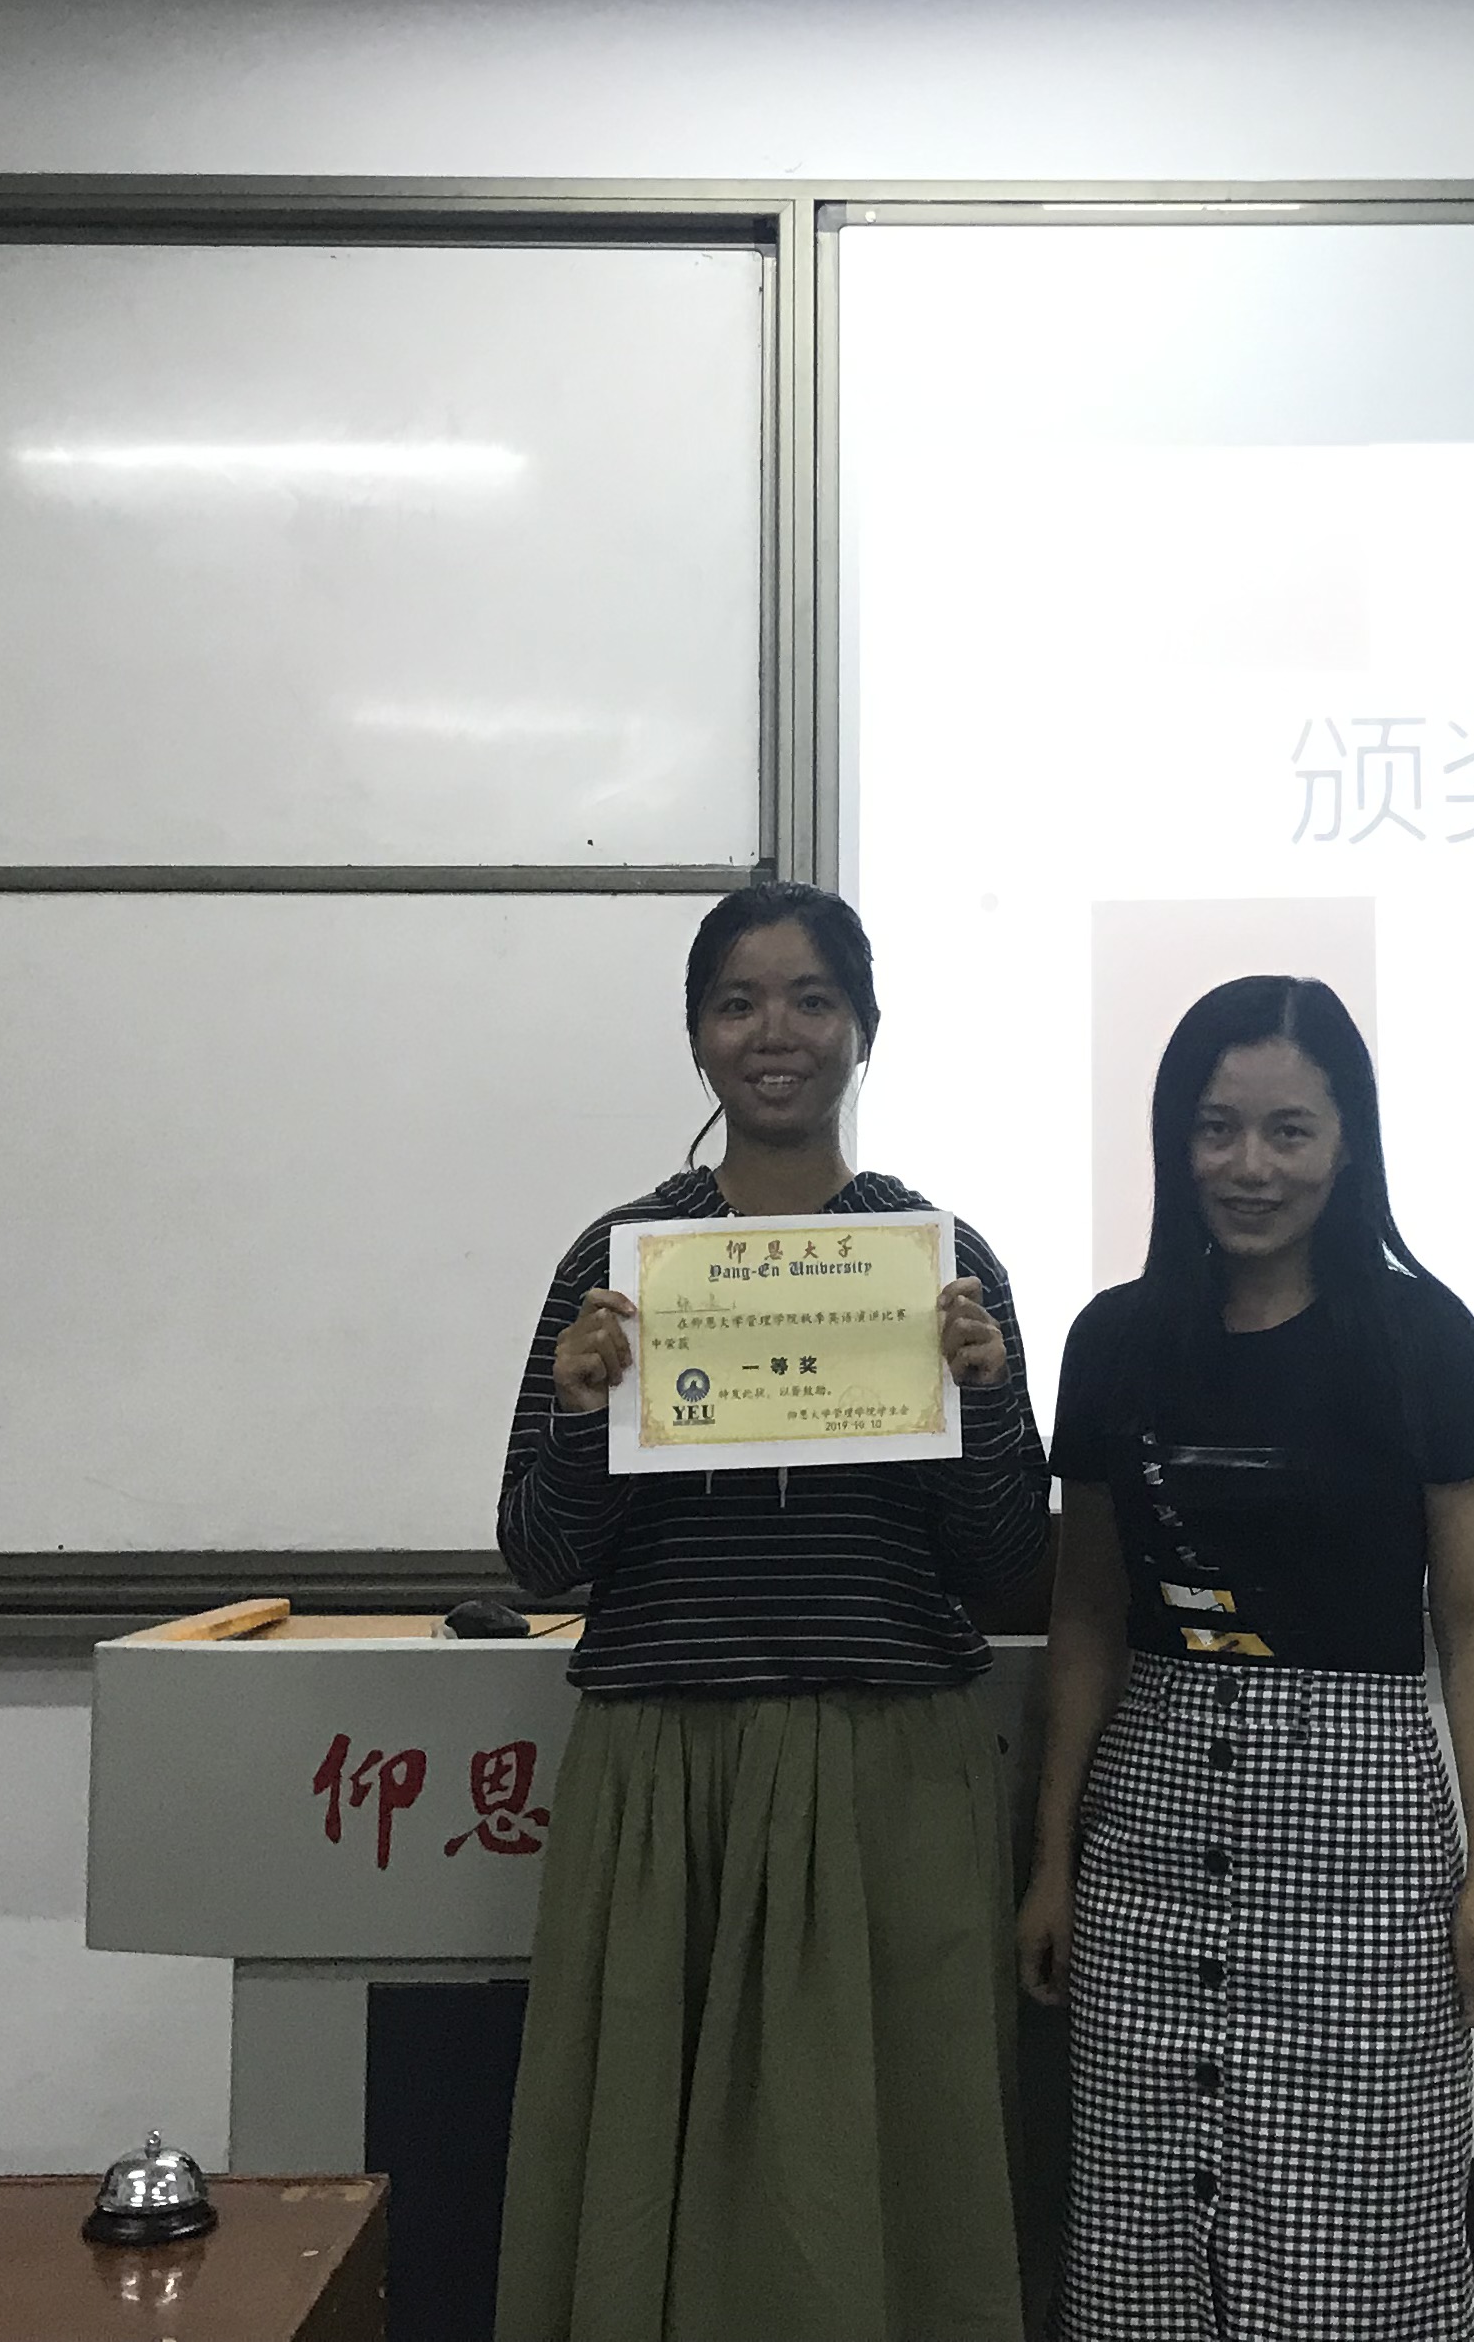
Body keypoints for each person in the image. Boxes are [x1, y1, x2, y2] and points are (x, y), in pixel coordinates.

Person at [491, 881, 1046, 2342]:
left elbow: (1009, 1566)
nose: (775, 1032)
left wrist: (987, 1398)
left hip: (887, 1769)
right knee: (647, 2170)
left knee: (888, 2175)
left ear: (865, 1028)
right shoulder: (619, 1263)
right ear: (696, 1037)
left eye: (811, 999)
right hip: (666, 1771)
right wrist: (582, 1414)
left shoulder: (940, 1261)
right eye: (738, 1003)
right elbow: (536, 1556)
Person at [1019, 975, 1474, 2342]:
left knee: (1358, 2240)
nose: (1250, 1166)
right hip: (1147, 1844)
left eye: (1289, 1131)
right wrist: (1054, 1861)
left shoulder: (1428, 1343)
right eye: (1217, 1129)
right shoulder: (1114, 1342)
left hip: (1363, 1846)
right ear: (1174, 1143)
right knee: (1140, 2247)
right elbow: (1088, 1617)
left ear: (1348, 1141)